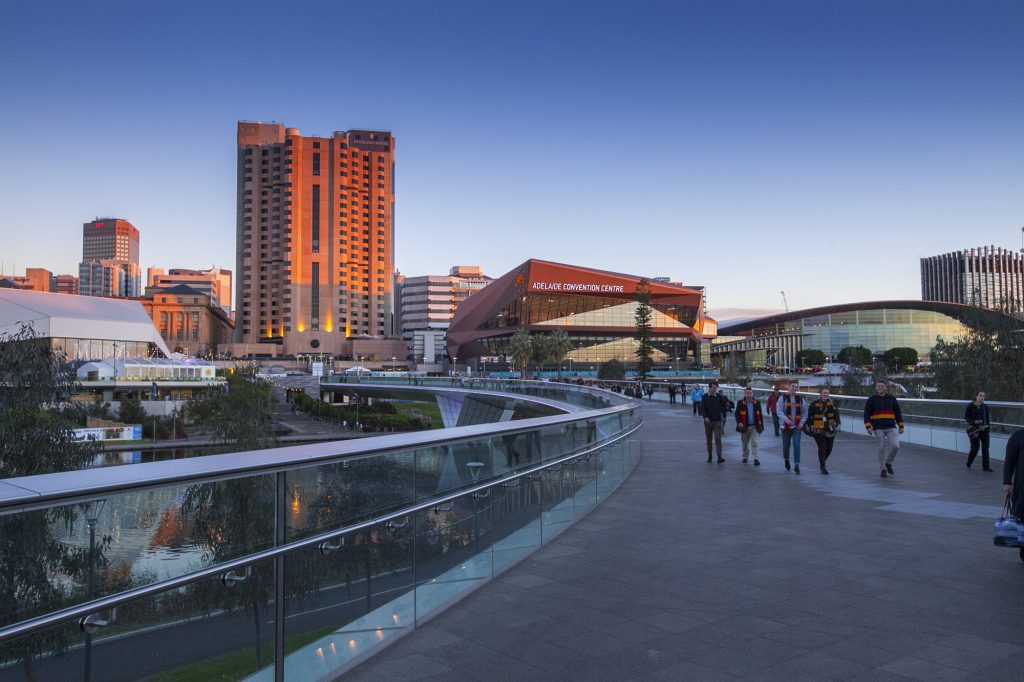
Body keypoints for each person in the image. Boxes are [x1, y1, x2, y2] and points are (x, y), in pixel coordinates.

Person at [864, 380, 904, 478]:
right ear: (876, 388)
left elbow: (898, 413)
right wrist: (868, 426)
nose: (881, 388)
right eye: (879, 386)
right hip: (878, 428)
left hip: (891, 426)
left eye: (882, 386)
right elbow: (866, 414)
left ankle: (888, 462)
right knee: (881, 448)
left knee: (896, 446)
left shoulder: (892, 399)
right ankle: (883, 468)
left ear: (886, 388)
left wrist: (901, 425)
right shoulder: (871, 399)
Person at [808, 388, 841, 475]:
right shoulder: (814, 404)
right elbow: (809, 416)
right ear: (820, 394)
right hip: (818, 430)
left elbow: (837, 416)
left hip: (830, 430)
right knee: (822, 448)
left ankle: (822, 461)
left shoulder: (832, 405)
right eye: (824, 393)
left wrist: (838, 425)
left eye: (827, 393)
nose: (825, 394)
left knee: (829, 449)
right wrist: (810, 425)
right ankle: (823, 467)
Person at [778, 381, 807, 474]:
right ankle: (786, 460)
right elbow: (779, 411)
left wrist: (802, 423)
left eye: (796, 387)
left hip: (796, 427)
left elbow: (805, 413)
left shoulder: (801, 400)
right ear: (788, 387)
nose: (794, 388)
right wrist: (786, 419)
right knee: (786, 446)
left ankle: (797, 465)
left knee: (796, 445)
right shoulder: (782, 398)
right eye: (793, 386)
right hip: (785, 427)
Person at [701, 381, 730, 463]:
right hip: (708, 421)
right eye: (713, 388)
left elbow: (725, 403)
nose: (715, 389)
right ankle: (710, 456)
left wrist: (728, 404)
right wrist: (705, 417)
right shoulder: (705, 397)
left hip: (717, 421)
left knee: (718, 439)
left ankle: (719, 457)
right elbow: (702, 408)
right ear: (709, 388)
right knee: (709, 439)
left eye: (716, 388)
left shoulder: (719, 396)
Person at [734, 386, 763, 466]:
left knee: (755, 442)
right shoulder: (740, 403)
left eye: (750, 393)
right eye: (747, 393)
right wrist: (739, 422)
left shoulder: (757, 403)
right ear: (745, 394)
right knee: (745, 443)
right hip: (744, 426)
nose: (749, 395)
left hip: (754, 426)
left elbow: (760, 415)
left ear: (752, 393)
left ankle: (756, 458)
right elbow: (737, 414)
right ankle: (745, 457)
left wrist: (761, 426)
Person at [964, 391, 992, 471]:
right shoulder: (971, 405)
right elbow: (966, 417)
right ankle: (969, 462)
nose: (982, 397)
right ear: (976, 396)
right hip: (974, 430)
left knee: (985, 448)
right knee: (975, 448)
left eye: (983, 396)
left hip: (985, 430)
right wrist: (973, 422)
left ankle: (986, 467)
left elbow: (987, 419)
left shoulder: (985, 407)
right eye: (980, 395)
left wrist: (988, 429)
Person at [1003, 428, 1024, 518]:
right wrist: (1007, 482)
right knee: (1019, 515)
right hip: (1022, 485)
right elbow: (1009, 461)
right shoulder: (1018, 436)